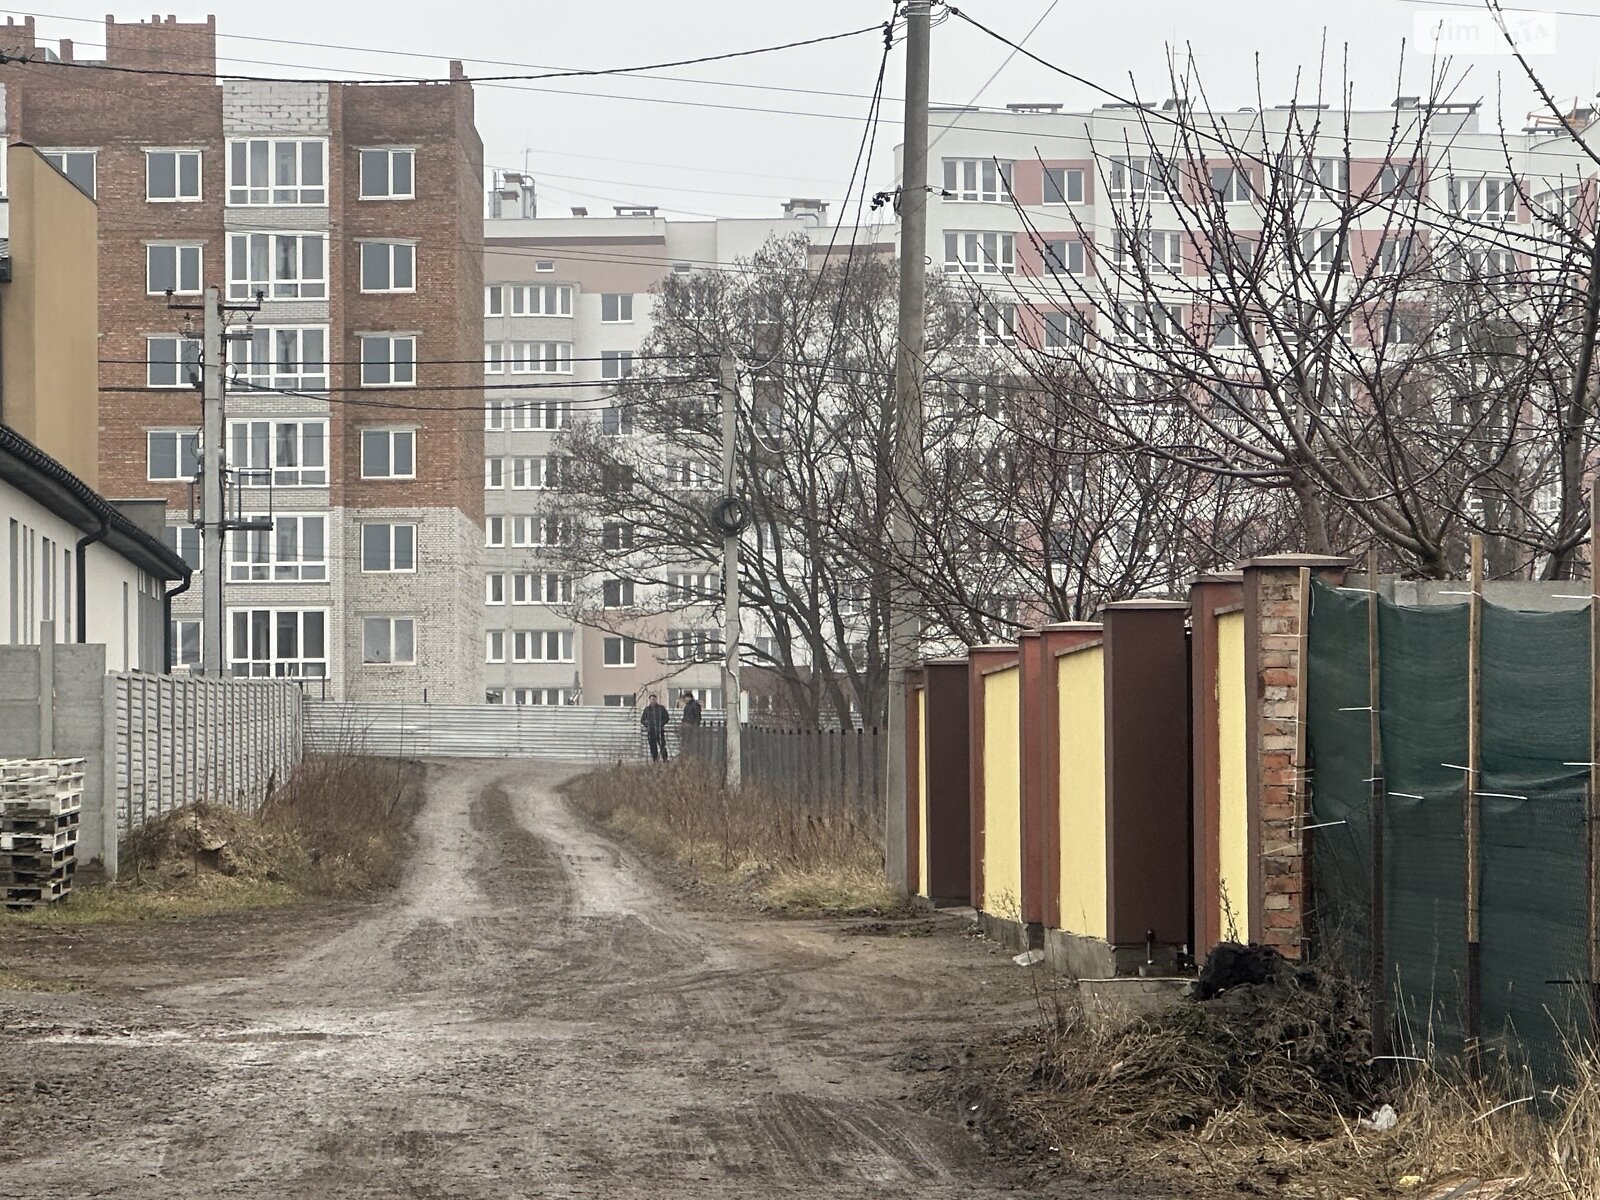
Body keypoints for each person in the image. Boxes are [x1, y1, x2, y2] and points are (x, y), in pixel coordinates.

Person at [641, 692, 670, 762]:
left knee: (662, 745)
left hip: (659, 731)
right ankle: (655, 760)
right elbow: (642, 720)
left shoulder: (661, 708)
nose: (653, 701)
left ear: (656, 700)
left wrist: (661, 724)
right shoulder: (647, 710)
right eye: (651, 699)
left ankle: (665, 759)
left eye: (654, 699)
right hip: (651, 732)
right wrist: (647, 725)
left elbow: (666, 718)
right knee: (653, 747)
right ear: (649, 700)